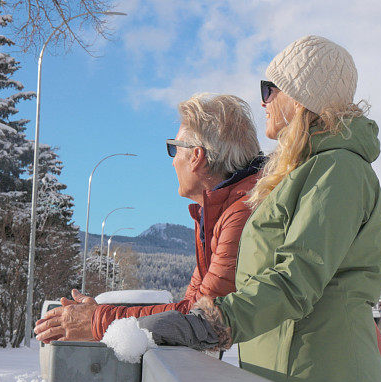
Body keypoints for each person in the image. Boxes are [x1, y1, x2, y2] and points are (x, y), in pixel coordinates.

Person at [130, 35, 381, 382]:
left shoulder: (339, 170)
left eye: (270, 89)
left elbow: (295, 278)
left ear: (302, 97)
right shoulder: (298, 173)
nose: (264, 100)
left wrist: (212, 322)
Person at [34, 93, 263, 342]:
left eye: (174, 149)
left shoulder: (240, 213)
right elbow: (189, 307)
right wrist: (99, 316)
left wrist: (99, 321)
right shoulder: (219, 213)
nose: (173, 162)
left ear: (196, 156)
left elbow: (201, 319)